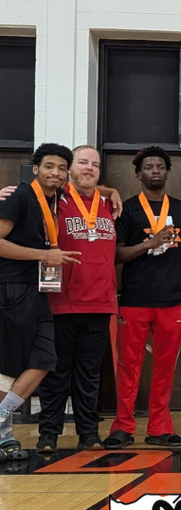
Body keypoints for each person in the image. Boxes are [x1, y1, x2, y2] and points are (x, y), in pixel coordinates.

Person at [106, 146, 181, 449]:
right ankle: (122, 427)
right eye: (149, 167)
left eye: (160, 166)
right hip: (134, 299)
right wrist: (150, 243)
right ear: (138, 174)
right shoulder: (128, 209)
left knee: (164, 367)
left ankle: (160, 427)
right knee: (128, 367)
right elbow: (116, 254)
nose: (155, 171)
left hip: (172, 300)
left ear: (167, 172)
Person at [35, 146, 118, 451]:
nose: (89, 168)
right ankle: (48, 435)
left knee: (89, 375)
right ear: (70, 167)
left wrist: (112, 190)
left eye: (94, 164)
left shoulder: (109, 202)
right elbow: (29, 193)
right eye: (83, 162)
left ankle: (89, 434)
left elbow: (102, 189)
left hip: (99, 301)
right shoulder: (55, 198)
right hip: (60, 301)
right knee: (55, 375)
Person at [0, 143, 78, 461]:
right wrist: (44, 255)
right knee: (8, 367)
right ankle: (5, 436)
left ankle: (0, 425)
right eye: (49, 166)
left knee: (45, 360)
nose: (55, 173)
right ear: (36, 169)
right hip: (13, 287)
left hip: (37, 290)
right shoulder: (20, 197)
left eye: (61, 168)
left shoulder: (55, 197)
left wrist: (110, 190)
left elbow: (91, 182)